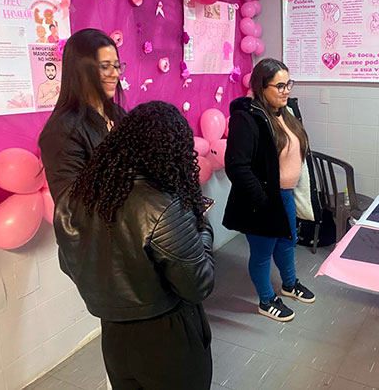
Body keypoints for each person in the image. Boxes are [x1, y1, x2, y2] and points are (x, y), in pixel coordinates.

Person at [55, 101, 214, 389]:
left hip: (114, 335)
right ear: (173, 152)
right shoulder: (163, 207)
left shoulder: (76, 196)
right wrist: (202, 226)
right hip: (168, 336)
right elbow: (197, 285)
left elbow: (69, 263)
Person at [224, 58, 316, 322]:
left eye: (288, 84)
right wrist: (263, 199)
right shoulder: (247, 118)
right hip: (263, 200)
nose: (286, 91)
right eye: (279, 86)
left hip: (285, 195)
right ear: (261, 87)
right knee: (263, 253)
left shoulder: (285, 112)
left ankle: (289, 284)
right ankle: (266, 300)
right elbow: (237, 166)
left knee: (287, 242)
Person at [39, 28, 126, 203]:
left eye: (117, 66)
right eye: (105, 67)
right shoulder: (61, 131)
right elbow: (72, 205)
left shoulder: (118, 114)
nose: (115, 74)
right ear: (81, 71)